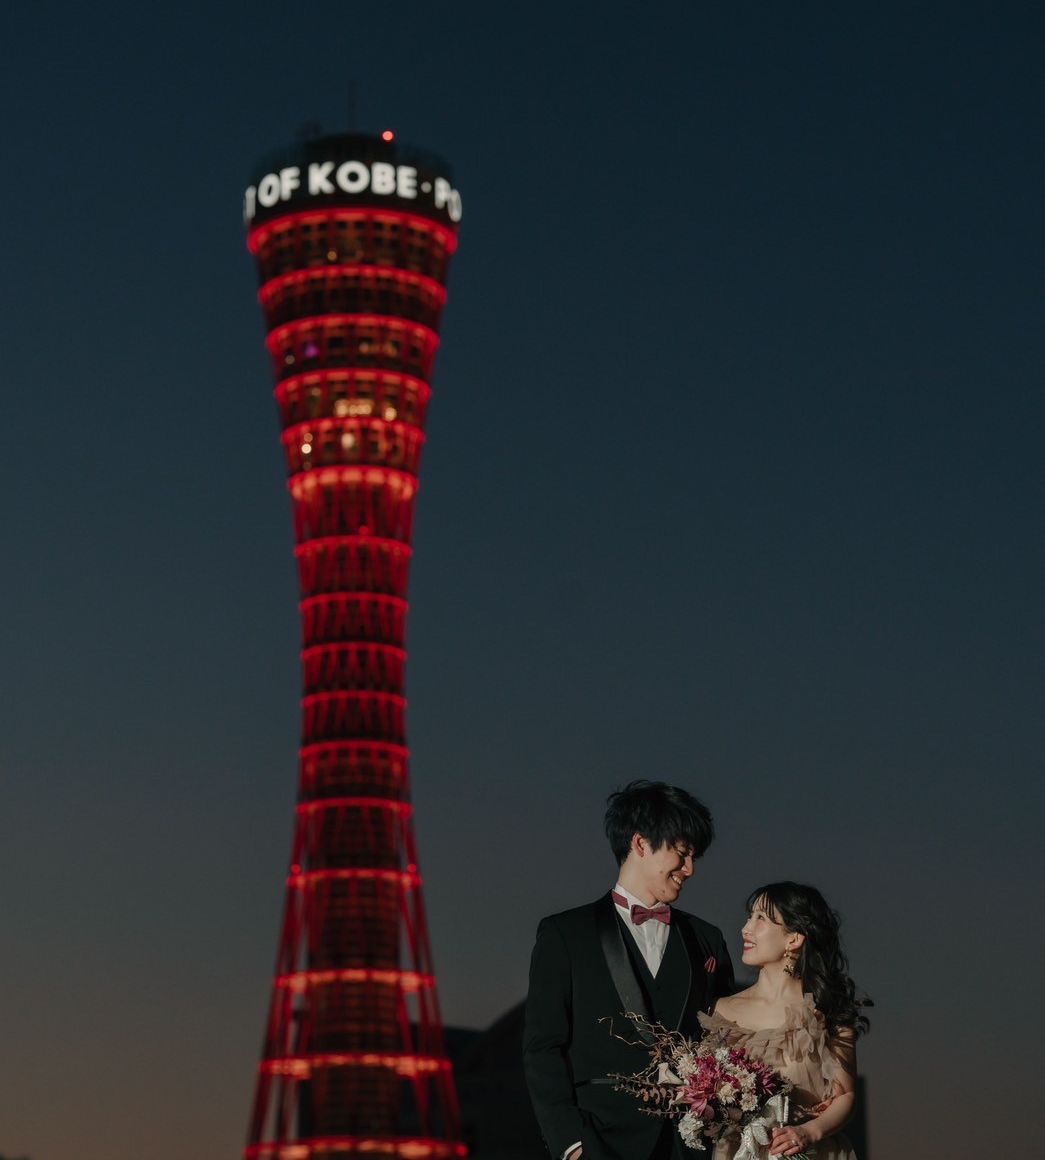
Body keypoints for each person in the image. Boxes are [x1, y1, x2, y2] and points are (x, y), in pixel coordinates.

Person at [524, 781, 735, 1160]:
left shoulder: (708, 939)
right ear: (640, 844)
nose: (690, 869)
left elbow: (726, 1041)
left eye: (694, 857)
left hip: (688, 1146)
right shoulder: (565, 934)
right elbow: (543, 1047)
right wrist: (570, 1143)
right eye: (682, 853)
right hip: (598, 1141)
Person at [700, 882, 871, 1159]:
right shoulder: (722, 1010)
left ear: (794, 939)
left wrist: (808, 1132)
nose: (745, 929)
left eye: (761, 919)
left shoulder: (827, 1012)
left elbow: (846, 1097)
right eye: (749, 917)